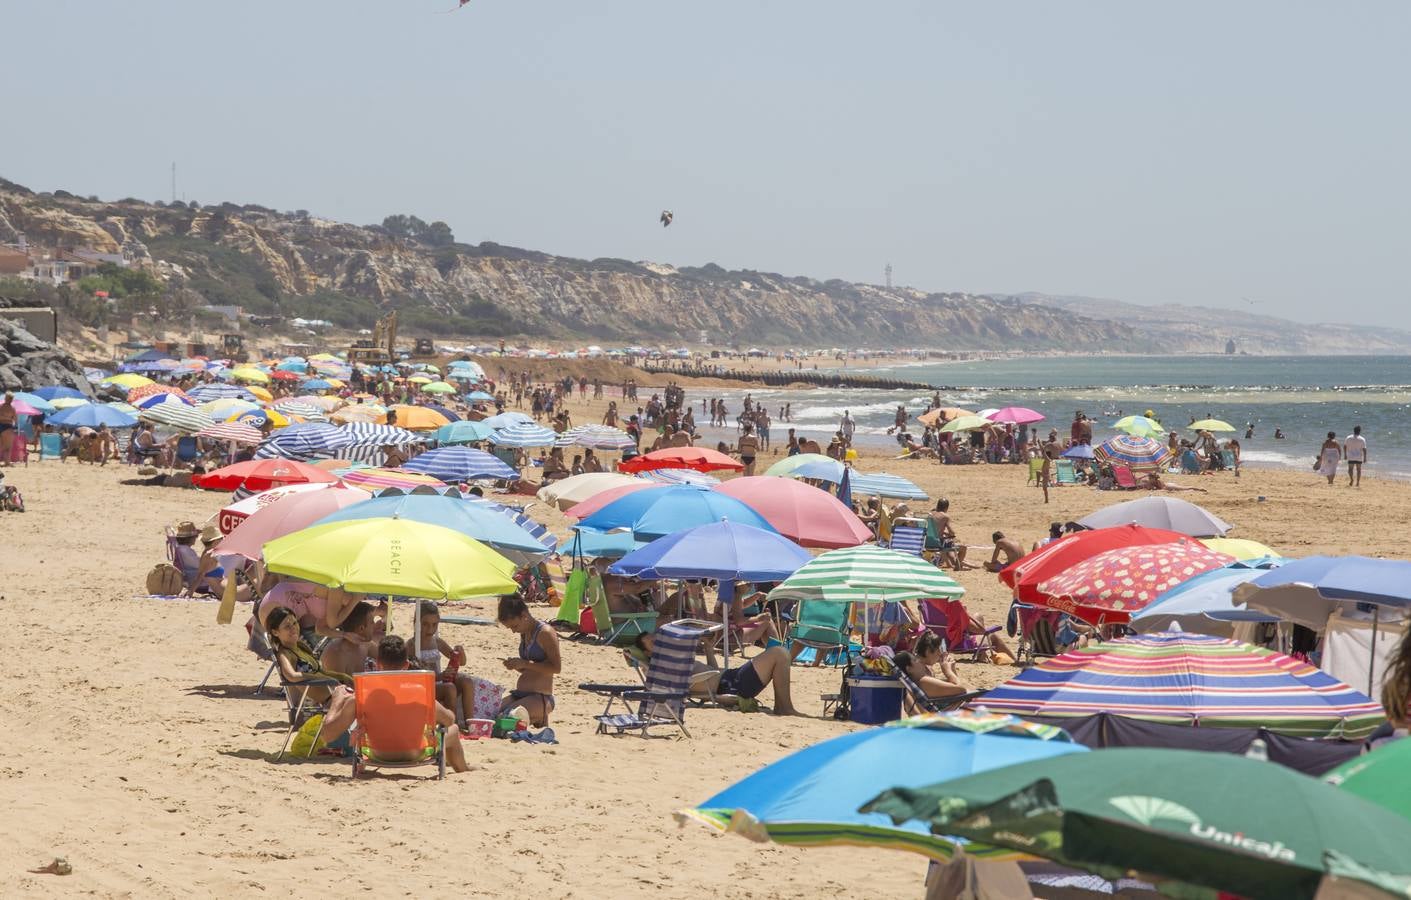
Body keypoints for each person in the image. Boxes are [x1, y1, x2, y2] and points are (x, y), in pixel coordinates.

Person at [636, 631, 799, 715]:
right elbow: (659, 678)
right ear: (649, 653)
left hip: (730, 678)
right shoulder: (665, 665)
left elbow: (710, 672)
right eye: (653, 642)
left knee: (780, 653)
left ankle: (783, 706)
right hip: (732, 685)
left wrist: (708, 649)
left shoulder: (673, 658)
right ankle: (784, 707)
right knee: (779, 653)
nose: (659, 642)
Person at [496, 595, 560, 727]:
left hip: (540, 697)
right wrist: (517, 665)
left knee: (505, 718)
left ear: (524, 615)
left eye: (514, 626)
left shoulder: (545, 633)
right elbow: (533, 668)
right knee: (492, 713)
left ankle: (540, 716)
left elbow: (555, 668)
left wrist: (524, 664)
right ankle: (536, 718)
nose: (514, 631)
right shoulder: (525, 632)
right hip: (521, 694)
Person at [411, 600, 476, 728]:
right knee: (450, 688)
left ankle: (471, 724)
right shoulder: (412, 645)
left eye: (434, 625)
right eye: (425, 624)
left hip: (439, 681)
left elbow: (462, 662)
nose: (430, 629)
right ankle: (452, 725)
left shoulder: (437, 642)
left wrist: (460, 652)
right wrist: (440, 676)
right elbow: (413, 677)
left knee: (467, 682)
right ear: (416, 623)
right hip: (425, 686)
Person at [892, 632, 968, 709]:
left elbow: (954, 687)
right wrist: (948, 671)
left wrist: (952, 669)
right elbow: (961, 690)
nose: (919, 661)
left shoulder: (922, 681)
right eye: (915, 660)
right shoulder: (924, 682)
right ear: (909, 669)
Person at [319, 601, 380, 678]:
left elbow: (386, 657)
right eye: (372, 622)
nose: (374, 625)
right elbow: (337, 688)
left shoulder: (365, 644)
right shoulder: (337, 655)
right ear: (361, 628)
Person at [927, 499, 970, 570]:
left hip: (926, 542)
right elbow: (952, 532)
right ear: (946, 508)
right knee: (963, 548)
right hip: (938, 544)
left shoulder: (929, 514)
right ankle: (957, 566)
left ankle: (952, 563)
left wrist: (943, 532)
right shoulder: (945, 517)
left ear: (937, 505)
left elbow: (932, 529)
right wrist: (950, 534)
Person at [0, 392, 14, 466]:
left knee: (1, 445)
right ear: (11, 399)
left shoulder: (0, 407)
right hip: (7, 426)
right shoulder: (12, 408)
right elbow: (15, 419)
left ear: (5, 398)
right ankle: (7, 462)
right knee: (7, 446)